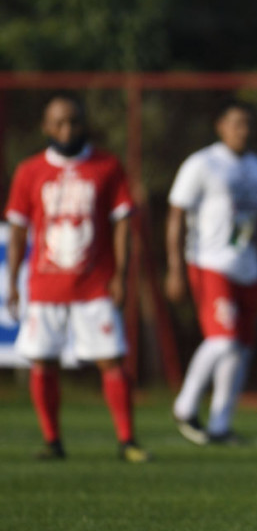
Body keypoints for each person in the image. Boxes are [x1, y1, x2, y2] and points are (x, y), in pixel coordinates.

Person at [4, 92, 150, 463]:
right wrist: (13, 282)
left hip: (94, 284)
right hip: (46, 285)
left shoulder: (106, 166)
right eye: (59, 123)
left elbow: (122, 224)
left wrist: (119, 274)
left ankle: (127, 440)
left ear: (84, 124)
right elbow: (19, 230)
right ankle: (53, 441)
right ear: (46, 127)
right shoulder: (29, 171)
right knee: (43, 361)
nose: (67, 129)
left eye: (74, 122)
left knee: (111, 359)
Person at [165, 99, 257, 445]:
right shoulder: (202, 164)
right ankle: (184, 406)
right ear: (221, 126)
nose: (243, 131)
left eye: (248, 124)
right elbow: (175, 214)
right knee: (222, 339)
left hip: (248, 265)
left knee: (240, 349)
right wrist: (174, 266)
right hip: (209, 262)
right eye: (236, 124)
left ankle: (219, 423)